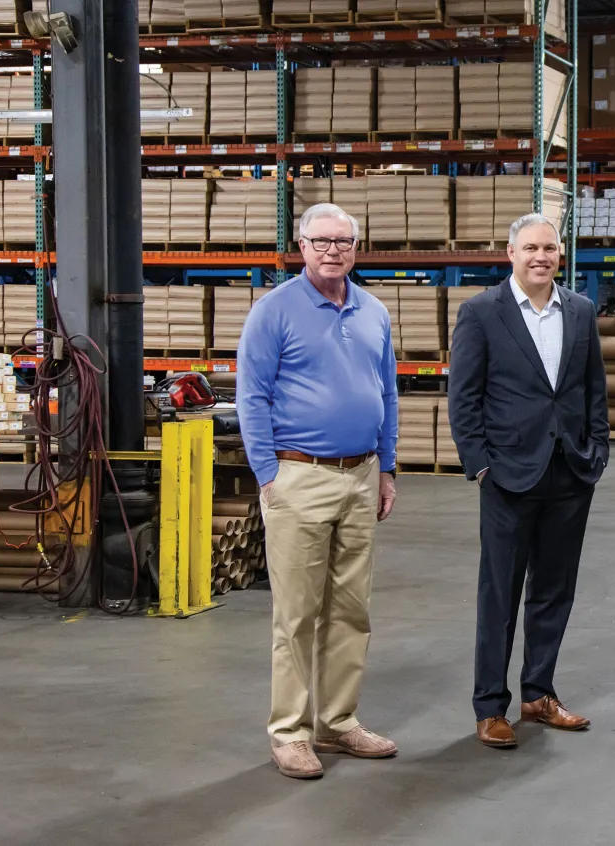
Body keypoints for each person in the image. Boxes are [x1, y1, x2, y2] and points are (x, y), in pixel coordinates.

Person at [237, 203, 400, 780]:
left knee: (351, 610)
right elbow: (251, 396)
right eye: (321, 241)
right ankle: (290, 732)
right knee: (297, 613)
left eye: (344, 241)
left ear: (357, 248)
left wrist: (387, 466)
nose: (333, 250)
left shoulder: (373, 311)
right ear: (300, 247)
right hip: (297, 475)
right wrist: (268, 474)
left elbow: (387, 394)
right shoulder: (273, 311)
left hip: (360, 474)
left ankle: (338, 721)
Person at [447, 213, 611, 749]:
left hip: (570, 471)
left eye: (550, 248)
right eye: (530, 248)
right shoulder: (481, 313)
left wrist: (598, 451)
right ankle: (490, 705)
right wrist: (481, 466)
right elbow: (463, 398)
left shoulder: (581, 311)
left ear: (560, 254)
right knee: (500, 594)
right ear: (510, 253)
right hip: (508, 476)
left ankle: (538, 693)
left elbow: (592, 390)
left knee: (554, 590)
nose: (541, 257)